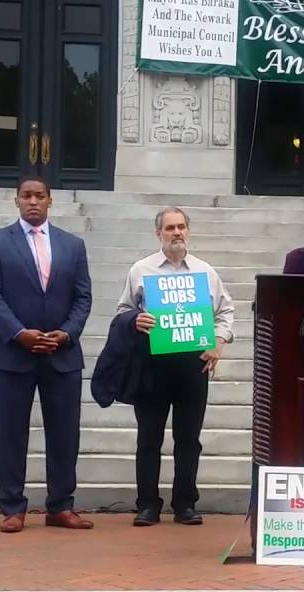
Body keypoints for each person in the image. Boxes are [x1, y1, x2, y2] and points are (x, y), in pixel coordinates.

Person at [0, 176, 94, 533]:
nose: (33, 202)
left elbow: (83, 297)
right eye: (26, 196)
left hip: (62, 354)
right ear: (16, 201)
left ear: (50, 201)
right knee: (10, 433)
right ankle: (12, 507)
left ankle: (60, 506)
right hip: (10, 354)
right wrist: (20, 334)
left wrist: (66, 333)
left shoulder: (73, 245)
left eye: (39, 196)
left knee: (64, 434)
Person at [116, 207, 234, 527]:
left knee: (188, 438)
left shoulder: (205, 272)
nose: (177, 233)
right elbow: (123, 311)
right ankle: (147, 505)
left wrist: (218, 342)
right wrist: (134, 319)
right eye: (170, 228)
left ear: (189, 231)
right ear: (159, 234)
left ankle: (185, 503)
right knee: (149, 438)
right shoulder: (141, 270)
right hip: (152, 365)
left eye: (182, 227)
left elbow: (225, 312)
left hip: (192, 365)